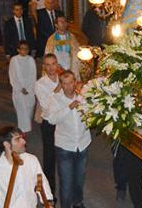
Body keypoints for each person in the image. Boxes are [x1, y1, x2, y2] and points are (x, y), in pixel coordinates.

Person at [45, 70, 91, 208]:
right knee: (66, 182)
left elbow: (92, 117)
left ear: (75, 82)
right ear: (61, 85)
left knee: (79, 179)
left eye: (71, 82)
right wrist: (69, 107)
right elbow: (52, 119)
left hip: (83, 144)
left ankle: (78, 203)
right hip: (64, 146)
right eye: (65, 84)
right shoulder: (55, 99)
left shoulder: (84, 97)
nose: (68, 86)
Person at [0, 126, 53, 208]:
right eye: (17, 139)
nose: (23, 141)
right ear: (6, 144)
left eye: (22, 138)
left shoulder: (31, 160)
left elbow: (42, 182)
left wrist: (48, 202)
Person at [35, 53, 61, 198]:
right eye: (48, 64)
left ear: (57, 65)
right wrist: (57, 90)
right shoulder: (40, 84)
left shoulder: (63, 79)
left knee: (63, 158)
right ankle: (49, 194)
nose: (51, 67)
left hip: (62, 122)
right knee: (50, 159)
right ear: (44, 67)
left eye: (53, 64)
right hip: (49, 124)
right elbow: (46, 106)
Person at [9, 40, 37, 133]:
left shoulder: (31, 60)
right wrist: (20, 89)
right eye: (22, 49)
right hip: (18, 91)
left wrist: (28, 88)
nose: (24, 51)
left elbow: (33, 75)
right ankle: (22, 131)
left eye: (26, 49)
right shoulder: (14, 60)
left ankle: (26, 128)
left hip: (30, 89)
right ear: (18, 50)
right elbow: (12, 76)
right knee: (21, 112)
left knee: (29, 110)